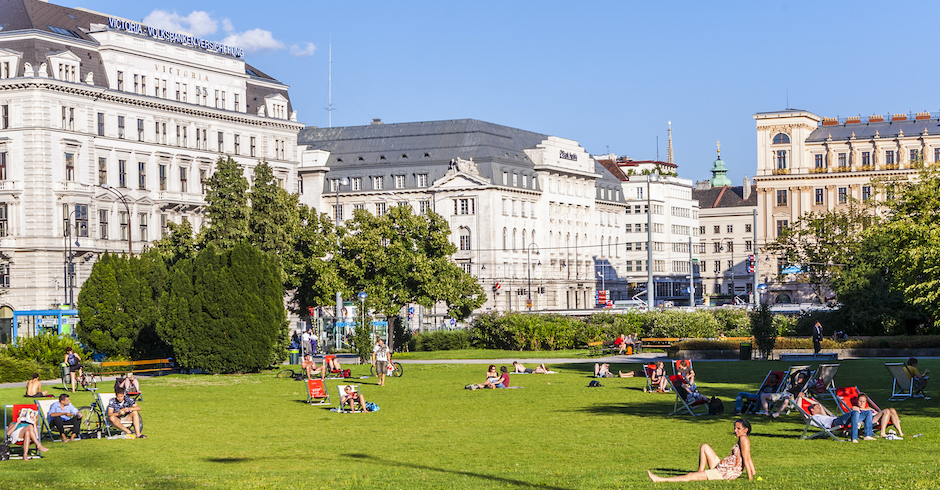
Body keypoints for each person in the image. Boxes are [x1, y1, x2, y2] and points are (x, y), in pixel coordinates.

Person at [648, 419, 755, 482]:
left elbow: (746, 459)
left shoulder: (743, 439)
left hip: (726, 472)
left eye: (738, 428)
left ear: (745, 430)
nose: (735, 430)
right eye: (735, 428)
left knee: (690, 476)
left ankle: (660, 479)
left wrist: (750, 478)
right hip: (723, 466)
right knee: (705, 447)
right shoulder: (743, 439)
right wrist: (754, 473)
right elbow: (748, 457)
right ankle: (700, 473)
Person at [800, 393, 874, 443]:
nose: (819, 407)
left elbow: (818, 404)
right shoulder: (811, 418)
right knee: (855, 412)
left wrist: (804, 398)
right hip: (835, 423)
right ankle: (854, 438)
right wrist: (800, 398)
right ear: (812, 410)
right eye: (817, 407)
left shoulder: (823, 414)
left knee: (868, 412)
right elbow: (800, 409)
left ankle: (867, 435)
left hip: (839, 420)